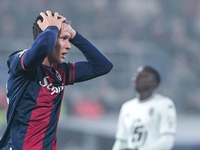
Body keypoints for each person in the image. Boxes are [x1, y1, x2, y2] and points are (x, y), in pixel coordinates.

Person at [0, 10, 113, 150]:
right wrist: (52, 28)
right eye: (64, 39)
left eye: (69, 39)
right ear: (48, 36)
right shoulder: (21, 63)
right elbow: (43, 46)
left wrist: (74, 35)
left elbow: (103, 66)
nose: (69, 45)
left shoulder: (61, 72)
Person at [112, 66, 176, 150]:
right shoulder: (126, 107)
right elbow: (121, 141)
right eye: (135, 75)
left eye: (143, 76)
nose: (137, 78)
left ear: (154, 83)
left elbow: (167, 141)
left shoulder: (165, 104)